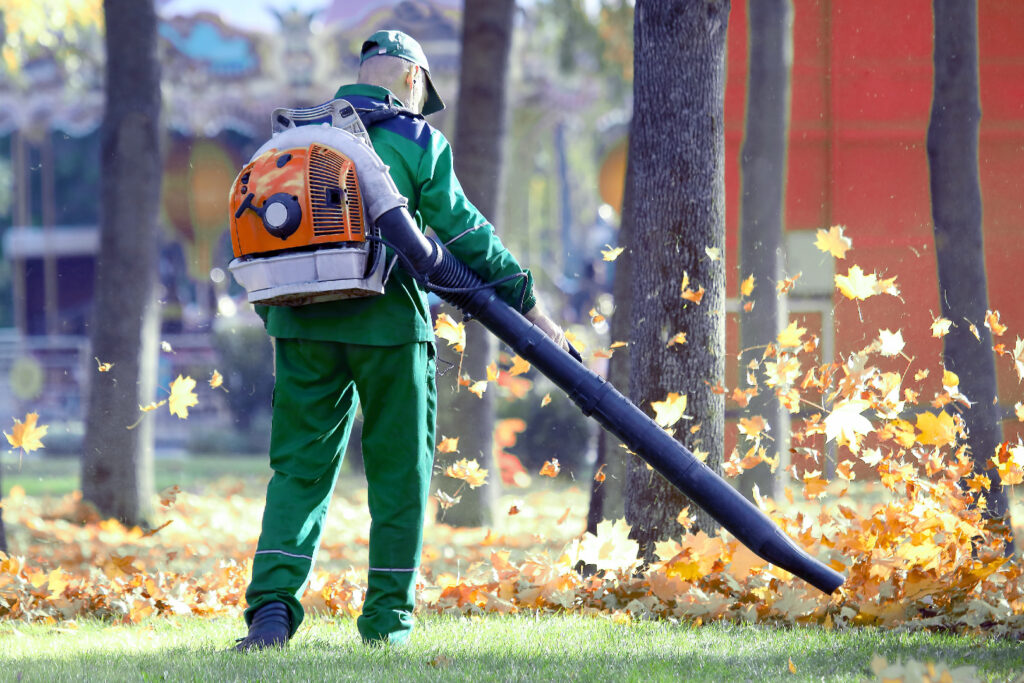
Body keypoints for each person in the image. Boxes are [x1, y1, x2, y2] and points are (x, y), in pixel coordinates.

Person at [234, 29, 567, 650]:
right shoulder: (415, 139)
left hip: (300, 326)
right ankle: (387, 622)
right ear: (414, 78)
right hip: (387, 328)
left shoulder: (292, 139)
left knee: (298, 474)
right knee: (400, 476)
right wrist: (534, 312)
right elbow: (465, 237)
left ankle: (271, 612)